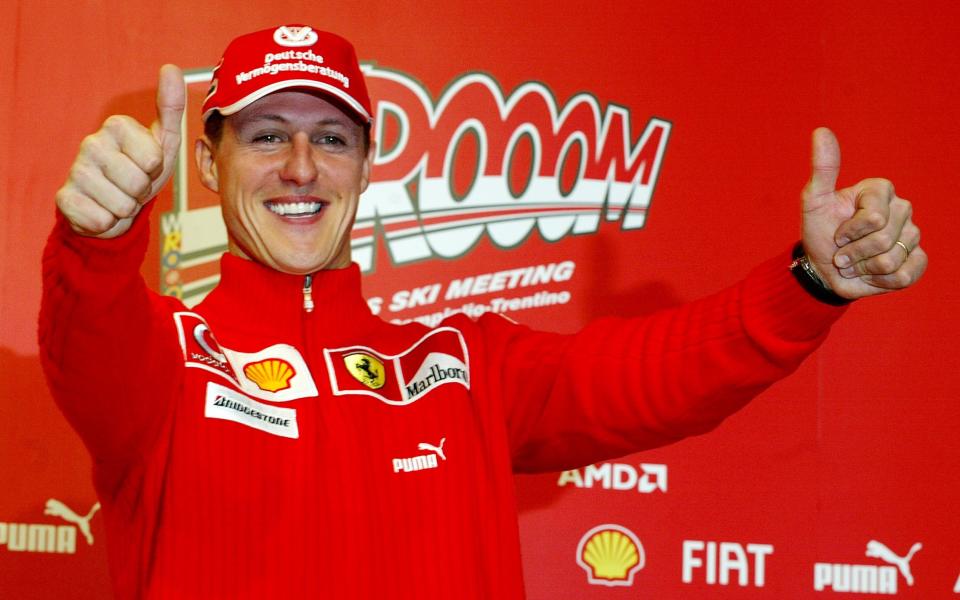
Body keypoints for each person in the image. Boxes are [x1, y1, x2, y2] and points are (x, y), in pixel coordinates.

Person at [40, 24, 926, 599]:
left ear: (365, 165)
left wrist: (811, 282)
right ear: (209, 160)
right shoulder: (167, 361)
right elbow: (91, 333)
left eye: (332, 139)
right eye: (268, 135)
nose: (302, 167)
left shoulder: (464, 364)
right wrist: (97, 236)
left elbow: (657, 374)